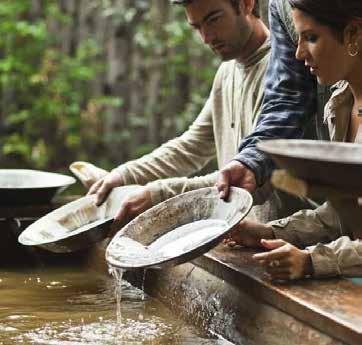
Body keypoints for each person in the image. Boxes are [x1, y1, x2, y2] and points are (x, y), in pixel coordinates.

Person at [82, 0, 287, 223]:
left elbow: (250, 177)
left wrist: (159, 194)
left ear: (246, 4)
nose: (206, 38)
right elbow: (192, 146)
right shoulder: (227, 70)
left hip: (285, 242)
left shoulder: (283, 72)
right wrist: (124, 175)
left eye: (213, 20)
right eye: (197, 27)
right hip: (240, 236)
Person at [225, 0, 362, 280]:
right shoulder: (340, 106)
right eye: (297, 38)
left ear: (352, 34)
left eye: (311, 38)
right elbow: (342, 214)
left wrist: (312, 261)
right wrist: (270, 232)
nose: (298, 54)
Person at [216, 0, 326, 200]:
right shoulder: (280, 5)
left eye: (310, 37)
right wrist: (250, 161)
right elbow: (289, 97)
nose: (299, 53)